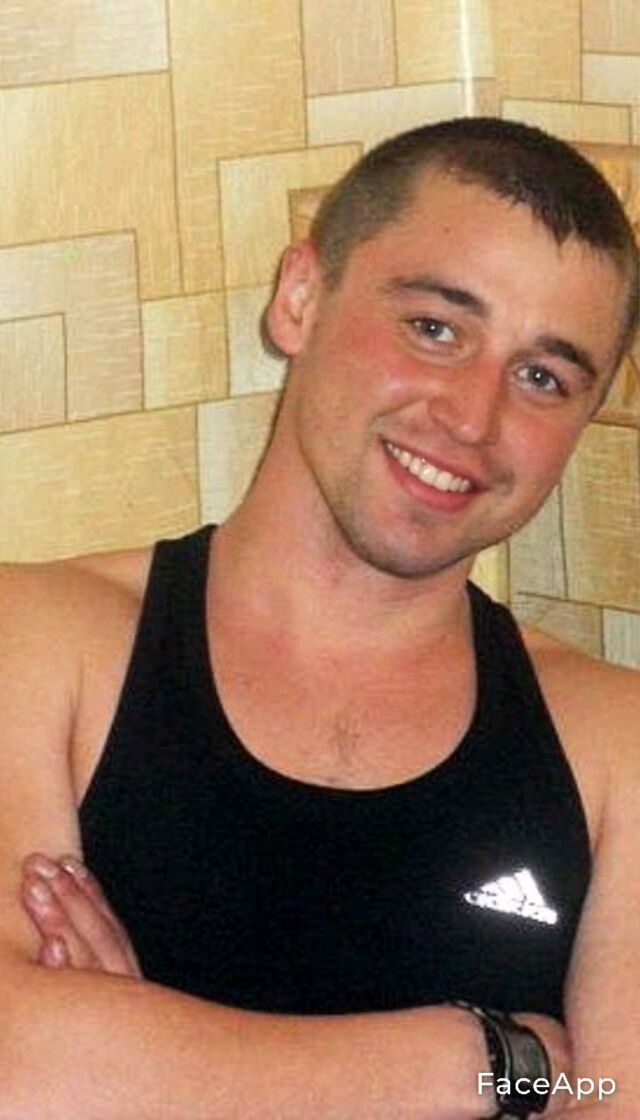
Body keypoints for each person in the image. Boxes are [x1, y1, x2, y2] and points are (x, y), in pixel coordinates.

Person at [0, 116, 638, 1120]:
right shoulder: (37, 639)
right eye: (435, 327)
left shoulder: (613, 743)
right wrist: (484, 1062)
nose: (471, 418)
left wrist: (141, 1072)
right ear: (300, 296)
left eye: (541, 377)